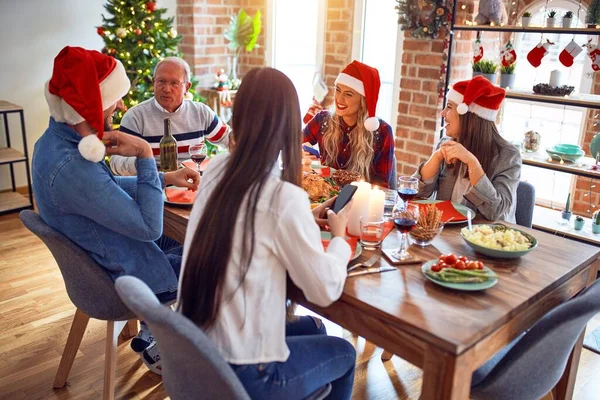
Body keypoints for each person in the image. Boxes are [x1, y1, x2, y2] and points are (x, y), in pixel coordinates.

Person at [177, 67, 357, 400]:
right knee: (345, 354)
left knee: (314, 329)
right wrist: (342, 239)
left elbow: (253, 221)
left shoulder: (216, 168)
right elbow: (324, 291)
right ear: (288, 126)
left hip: (194, 353)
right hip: (244, 375)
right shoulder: (282, 198)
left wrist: (303, 217)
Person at [33, 46, 199, 373]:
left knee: (191, 242)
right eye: (115, 97)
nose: (121, 104)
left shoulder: (53, 142)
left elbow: (105, 191)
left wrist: (166, 177)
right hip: (121, 275)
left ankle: (158, 334)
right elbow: (150, 228)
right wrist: (144, 156)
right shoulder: (73, 167)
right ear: (88, 103)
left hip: (101, 256)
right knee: (214, 256)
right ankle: (184, 347)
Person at [414, 76, 521, 222]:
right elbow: (417, 193)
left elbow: (495, 211)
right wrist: (436, 157)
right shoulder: (447, 144)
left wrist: (472, 163)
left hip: (488, 238)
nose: (443, 113)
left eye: (449, 107)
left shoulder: (509, 156)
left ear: (470, 117)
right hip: (448, 234)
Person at [110, 56, 230, 175]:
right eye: (161, 81)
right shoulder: (135, 117)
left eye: (174, 83)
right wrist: (145, 165)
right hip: (155, 186)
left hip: (194, 186)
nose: (166, 89)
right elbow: (116, 162)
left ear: (187, 87)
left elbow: (230, 140)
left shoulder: (200, 112)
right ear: (153, 82)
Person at [303, 60, 395, 188]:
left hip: (360, 200)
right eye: (338, 90)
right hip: (325, 196)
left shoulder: (382, 132)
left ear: (363, 101)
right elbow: (293, 145)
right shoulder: (322, 119)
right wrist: (302, 153)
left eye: (348, 94)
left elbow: (381, 186)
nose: (339, 99)